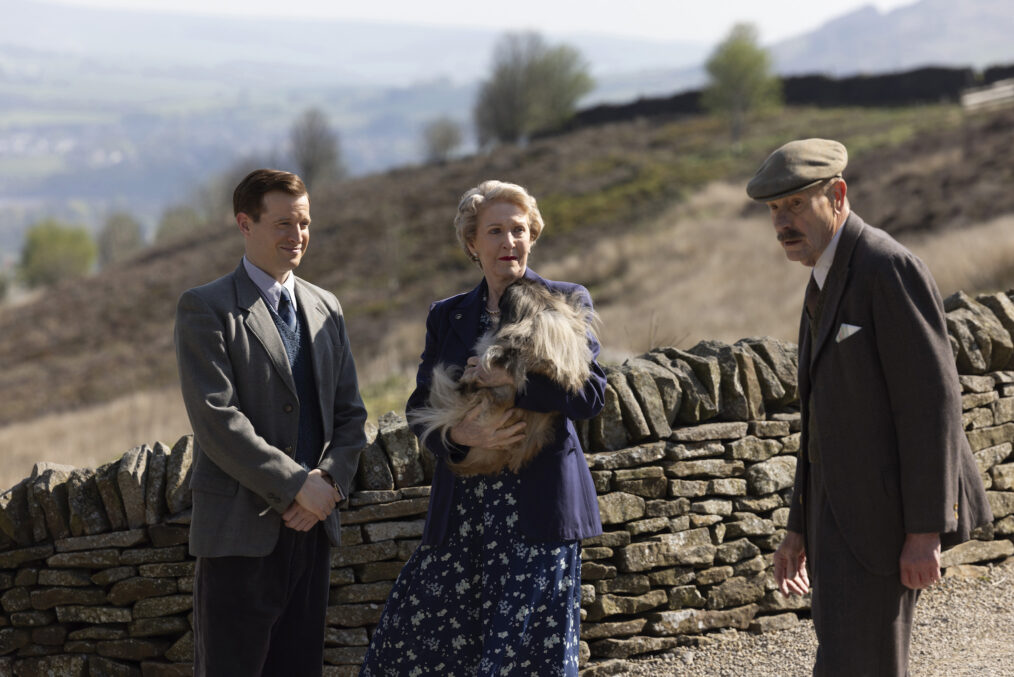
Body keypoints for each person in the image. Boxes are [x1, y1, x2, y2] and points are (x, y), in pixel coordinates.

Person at [748, 139, 991, 676]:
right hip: (834, 519)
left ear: (838, 195)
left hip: (884, 524)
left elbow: (932, 403)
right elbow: (822, 422)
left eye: (796, 204)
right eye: (775, 209)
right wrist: (799, 527)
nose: (782, 223)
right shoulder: (823, 275)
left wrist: (925, 531)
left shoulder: (887, 267)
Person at [359, 180, 607, 676]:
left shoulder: (565, 299)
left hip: (539, 513)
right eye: (495, 231)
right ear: (472, 243)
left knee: (526, 661)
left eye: (519, 230)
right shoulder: (447, 315)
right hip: (464, 515)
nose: (509, 242)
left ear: (532, 236)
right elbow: (419, 410)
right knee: (407, 650)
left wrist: (512, 384)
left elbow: (589, 397)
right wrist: (458, 438)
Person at [174, 168, 367, 676]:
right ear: (245, 223)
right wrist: (295, 485)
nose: (297, 235)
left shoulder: (327, 307)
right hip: (239, 534)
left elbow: (351, 415)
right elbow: (217, 420)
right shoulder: (205, 308)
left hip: (312, 532)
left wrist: (328, 483)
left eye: (304, 223)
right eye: (283, 223)